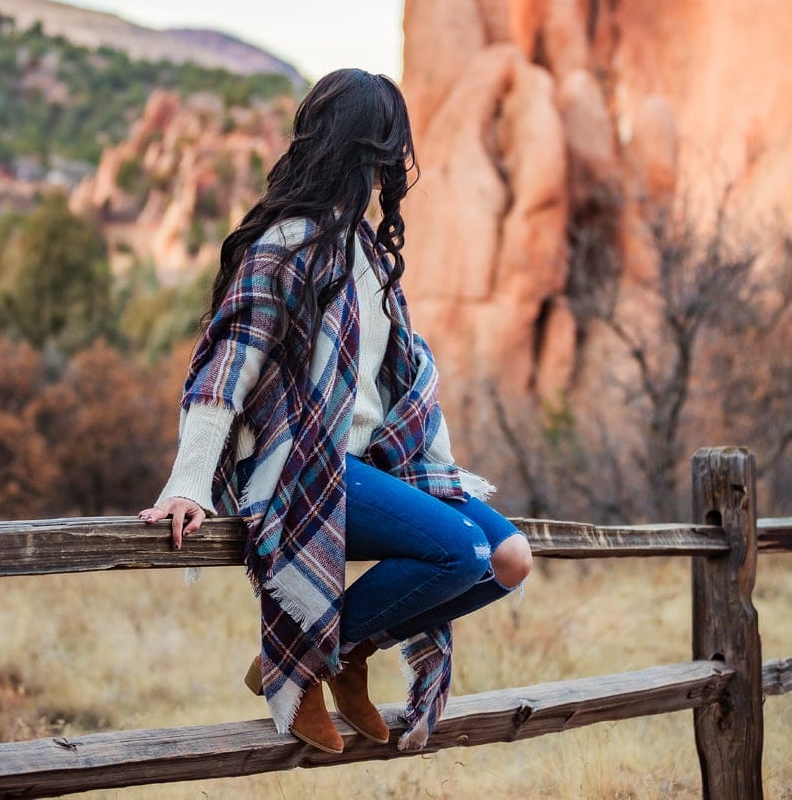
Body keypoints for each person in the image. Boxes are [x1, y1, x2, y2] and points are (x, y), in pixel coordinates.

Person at [139, 69, 531, 754]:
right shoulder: (283, 244)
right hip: (299, 467)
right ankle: (308, 652)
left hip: (370, 462)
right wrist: (187, 480)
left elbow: (395, 379)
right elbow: (229, 364)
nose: (390, 173)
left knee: (506, 556)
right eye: (385, 155)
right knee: (460, 550)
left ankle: (333, 650)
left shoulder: (370, 256)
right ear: (361, 151)